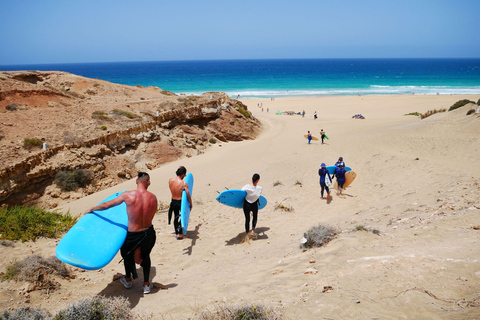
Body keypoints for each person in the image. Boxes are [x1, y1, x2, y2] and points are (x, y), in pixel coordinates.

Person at [84, 172, 157, 294]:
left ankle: (128, 280)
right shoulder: (153, 197)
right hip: (149, 233)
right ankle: (146, 284)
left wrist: (92, 209)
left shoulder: (127, 195)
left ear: (136, 181)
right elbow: (151, 215)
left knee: (127, 255)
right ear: (148, 182)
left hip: (133, 235)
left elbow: (107, 205)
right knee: (146, 255)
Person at [168, 166, 192, 239]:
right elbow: (188, 195)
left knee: (176, 216)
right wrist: (190, 204)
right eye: (184, 175)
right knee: (182, 217)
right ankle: (181, 233)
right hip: (180, 202)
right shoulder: (184, 184)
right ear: (183, 174)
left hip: (173, 201)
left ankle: (176, 232)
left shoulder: (170, 180)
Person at [242, 173, 263, 238]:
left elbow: (241, 194)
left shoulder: (246, 187)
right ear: (258, 180)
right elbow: (258, 196)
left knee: (247, 219)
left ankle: (247, 233)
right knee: (255, 217)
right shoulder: (260, 188)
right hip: (254, 205)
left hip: (246, 204)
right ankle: (253, 230)